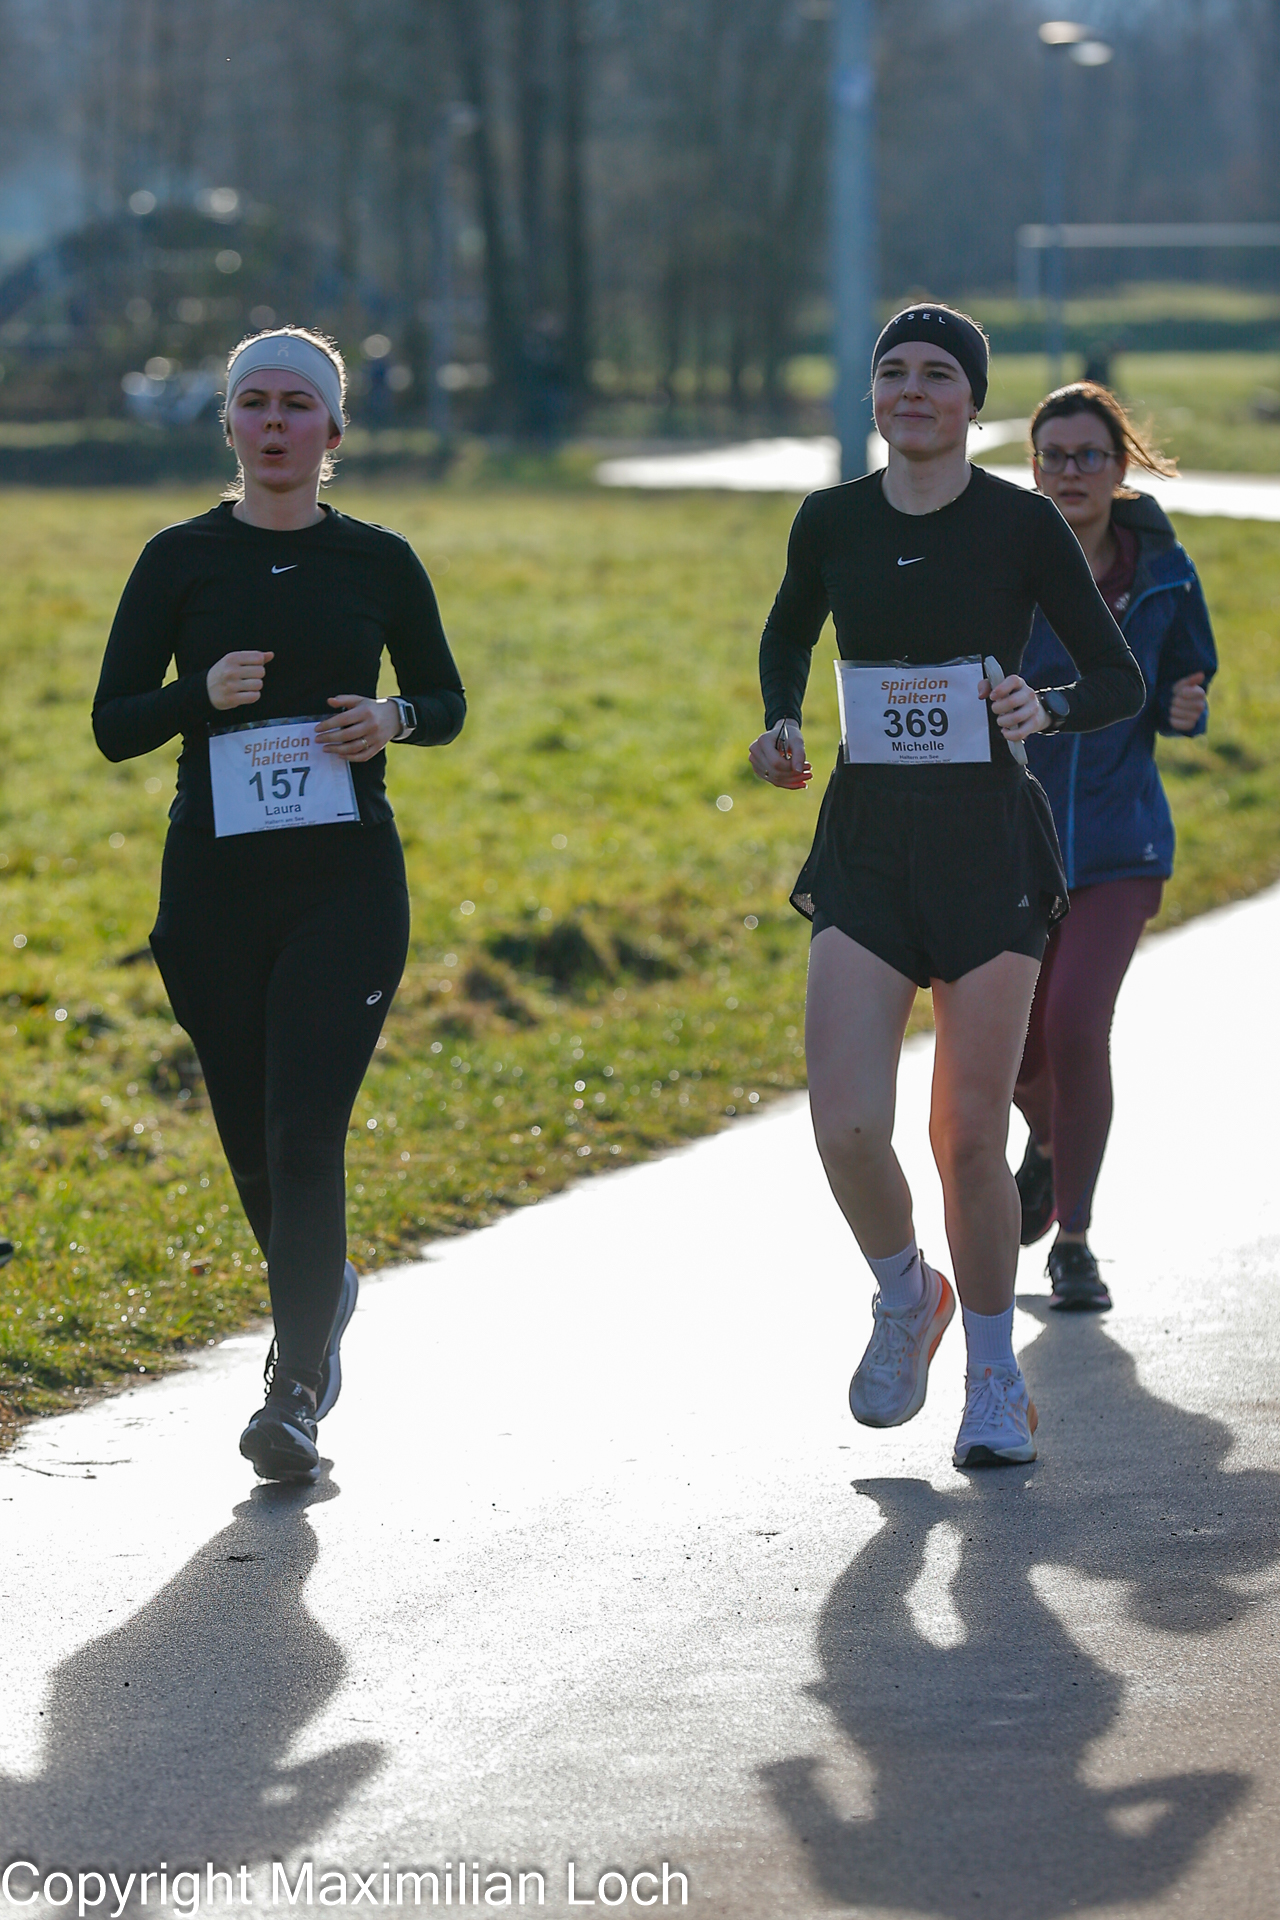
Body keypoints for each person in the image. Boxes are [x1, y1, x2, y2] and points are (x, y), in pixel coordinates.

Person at [749, 305, 1144, 1468]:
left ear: (971, 403)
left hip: (986, 849)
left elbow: (1112, 677)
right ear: (871, 395)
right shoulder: (830, 520)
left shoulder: (1020, 524)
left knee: (967, 1136)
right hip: (866, 843)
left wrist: (1042, 705)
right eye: (892, 372)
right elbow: (787, 634)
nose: (911, 390)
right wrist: (778, 721)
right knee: (843, 1123)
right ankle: (900, 1293)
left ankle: (991, 1380)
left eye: (936, 374)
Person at [93, 326, 465, 1483]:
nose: (272, 423)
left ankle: (293, 1392)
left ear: (332, 430)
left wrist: (392, 719)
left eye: (295, 405)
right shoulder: (178, 558)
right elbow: (112, 724)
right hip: (212, 887)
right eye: (251, 402)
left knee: (305, 1132)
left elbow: (445, 698)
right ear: (227, 425)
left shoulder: (378, 560)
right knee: (252, 1140)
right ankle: (323, 1288)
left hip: (344, 883)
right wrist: (197, 696)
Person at [1013, 383, 1216, 1310]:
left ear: (1120, 465)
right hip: (1012, 842)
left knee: (1073, 1025)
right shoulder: (1005, 564)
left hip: (1119, 842)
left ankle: (1075, 1242)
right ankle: (1049, 1143)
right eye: (1052, 456)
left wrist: (1185, 705)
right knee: (1011, 1054)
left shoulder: (1165, 572)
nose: (1070, 472)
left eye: (1087, 455)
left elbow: (1185, 684)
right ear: (1033, 466)